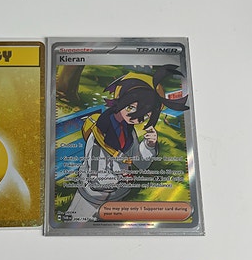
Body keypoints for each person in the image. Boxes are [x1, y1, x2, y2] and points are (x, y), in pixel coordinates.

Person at [65, 64, 189, 222]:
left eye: (145, 115)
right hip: (91, 201)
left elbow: (140, 163)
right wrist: (121, 178)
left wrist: (149, 145)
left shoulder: (128, 130)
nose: (137, 118)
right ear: (121, 100)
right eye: (131, 107)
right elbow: (95, 179)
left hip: (115, 198)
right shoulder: (101, 134)